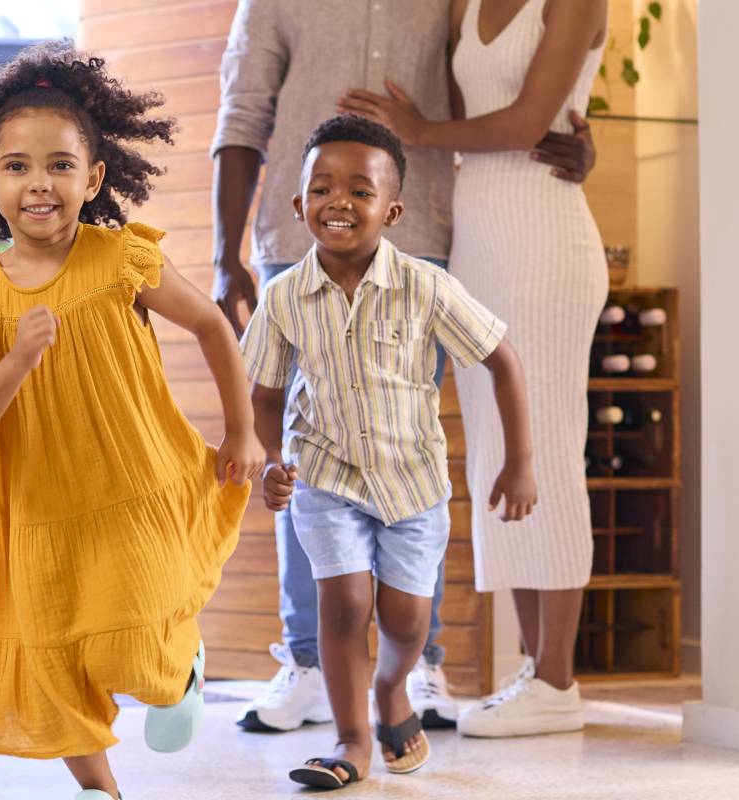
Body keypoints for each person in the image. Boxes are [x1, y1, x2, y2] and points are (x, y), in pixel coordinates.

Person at [211, 0, 596, 733]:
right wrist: (226, 254)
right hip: (299, 242)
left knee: (408, 448)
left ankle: (414, 663)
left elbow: (494, 97)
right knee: (306, 451)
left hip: (419, 231)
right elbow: (242, 113)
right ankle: (309, 661)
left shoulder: (449, 3)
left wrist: (582, 138)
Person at [0, 42, 265, 799]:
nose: (38, 183)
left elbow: (214, 326)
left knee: (137, 636)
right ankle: (98, 791)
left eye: (59, 165)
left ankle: (179, 672)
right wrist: (15, 362)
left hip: (132, 485)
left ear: (94, 178)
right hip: (38, 510)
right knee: (54, 660)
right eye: (16, 166)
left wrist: (241, 429)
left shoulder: (120, 262)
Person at [241, 116, 538, 788]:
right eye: (322, 188)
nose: (338, 201)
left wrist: (519, 460)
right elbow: (261, 393)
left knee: (405, 620)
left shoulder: (424, 285)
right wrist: (271, 462)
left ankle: (392, 688)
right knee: (343, 607)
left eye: (359, 190)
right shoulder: (284, 295)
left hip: (413, 485)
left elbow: (503, 361)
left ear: (392, 210)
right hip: (324, 477)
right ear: (299, 205)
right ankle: (352, 744)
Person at [339, 0, 609, 737]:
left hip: (546, 237)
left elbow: (526, 124)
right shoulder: (466, 4)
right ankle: (537, 674)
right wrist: (425, 133)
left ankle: (559, 678)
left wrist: (418, 131)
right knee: (499, 452)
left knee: (546, 445)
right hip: (480, 244)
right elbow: (480, 120)